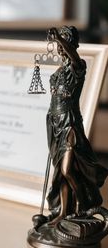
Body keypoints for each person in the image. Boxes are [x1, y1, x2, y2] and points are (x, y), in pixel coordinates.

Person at [46, 26, 108, 224]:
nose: (60, 48)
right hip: (55, 124)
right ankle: (64, 212)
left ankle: (84, 206)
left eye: (64, 44)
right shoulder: (58, 72)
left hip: (69, 124)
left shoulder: (77, 67)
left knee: (67, 170)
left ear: (72, 45)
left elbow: (73, 56)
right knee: (59, 174)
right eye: (58, 45)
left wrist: (59, 39)